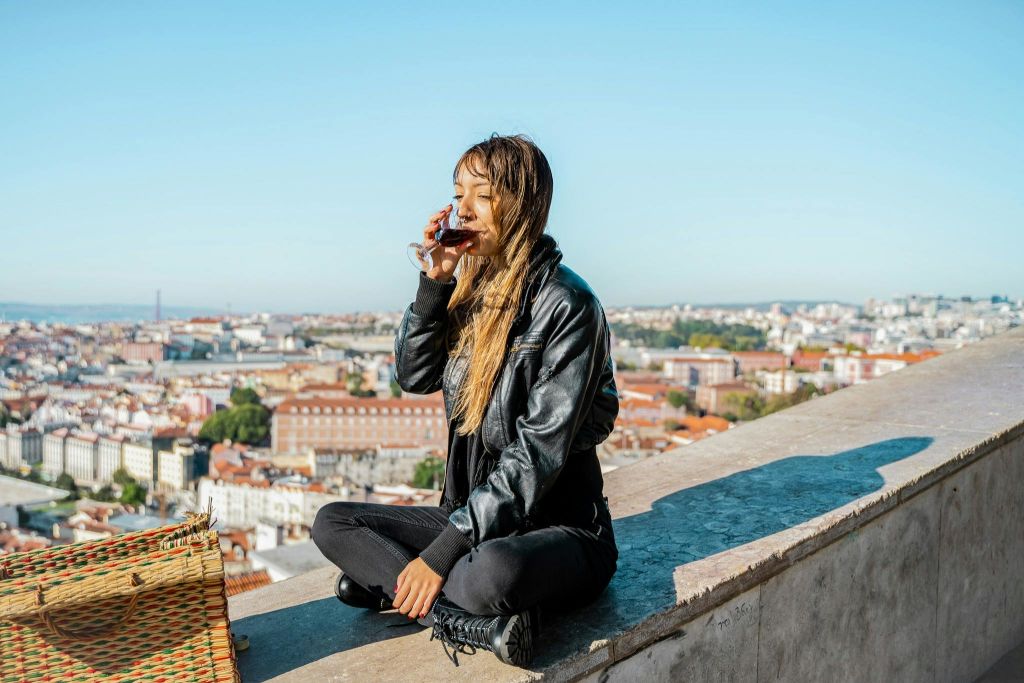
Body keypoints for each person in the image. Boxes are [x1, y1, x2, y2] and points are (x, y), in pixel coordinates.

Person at [311, 133, 619, 667]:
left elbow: (535, 456)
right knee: (332, 523)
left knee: (491, 574)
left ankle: (399, 586)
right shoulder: (471, 291)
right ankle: (462, 620)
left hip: (556, 532)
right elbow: (414, 375)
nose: (463, 209)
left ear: (520, 201)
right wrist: (433, 286)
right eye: (459, 194)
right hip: (469, 517)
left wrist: (440, 554)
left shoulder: (569, 306)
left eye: (482, 194)